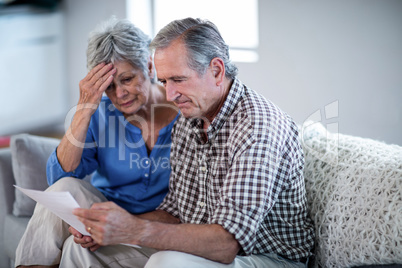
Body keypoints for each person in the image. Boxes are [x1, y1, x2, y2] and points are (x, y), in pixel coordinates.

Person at [61, 17, 315, 268]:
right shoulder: (190, 115)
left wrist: (133, 229)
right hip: (198, 247)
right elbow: (173, 212)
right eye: (164, 82)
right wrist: (111, 227)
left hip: (263, 258)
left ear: (216, 71)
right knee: (83, 249)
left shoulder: (257, 127)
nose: (169, 95)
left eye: (178, 80)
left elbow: (226, 244)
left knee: (167, 261)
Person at [15, 17, 179, 267]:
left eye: (127, 79)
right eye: (109, 87)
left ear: (148, 66)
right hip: (104, 215)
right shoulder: (100, 113)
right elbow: (59, 179)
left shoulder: (185, 114)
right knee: (63, 188)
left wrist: (122, 227)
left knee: (74, 247)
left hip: (155, 228)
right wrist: (84, 109)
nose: (120, 94)